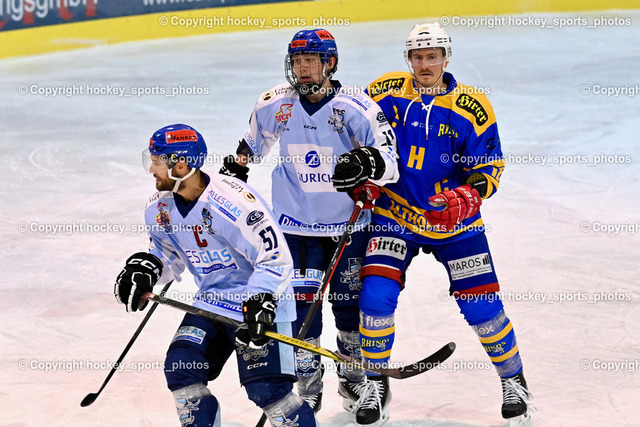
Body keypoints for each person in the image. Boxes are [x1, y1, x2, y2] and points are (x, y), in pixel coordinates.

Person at [348, 23, 533, 425]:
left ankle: (513, 379)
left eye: (432, 56)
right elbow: (357, 132)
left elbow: (489, 165)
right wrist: (363, 173)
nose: (425, 63)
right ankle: (375, 381)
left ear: (447, 58)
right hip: (395, 217)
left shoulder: (472, 105)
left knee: (482, 307)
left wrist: (470, 194)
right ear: (408, 59)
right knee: (375, 298)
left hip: (456, 224)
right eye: (418, 56)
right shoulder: (383, 91)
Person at [220, 29, 399, 415]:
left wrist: (368, 162)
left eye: (310, 60)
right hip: (295, 227)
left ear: (329, 63)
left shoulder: (356, 107)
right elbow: (250, 146)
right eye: (296, 61)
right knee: (302, 309)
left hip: (347, 228)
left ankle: (354, 380)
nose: (301, 68)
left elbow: (390, 161)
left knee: (349, 307)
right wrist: (234, 171)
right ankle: (308, 381)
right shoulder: (275, 104)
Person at [114, 124, 318, 426]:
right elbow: (168, 253)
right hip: (211, 302)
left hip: (259, 305)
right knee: (182, 368)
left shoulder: (233, 203)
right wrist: (148, 267)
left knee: (269, 391)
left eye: (156, 161)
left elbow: (274, 257)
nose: (151, 170)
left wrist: (259, 301)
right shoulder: (159, 208)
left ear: (179, 165)